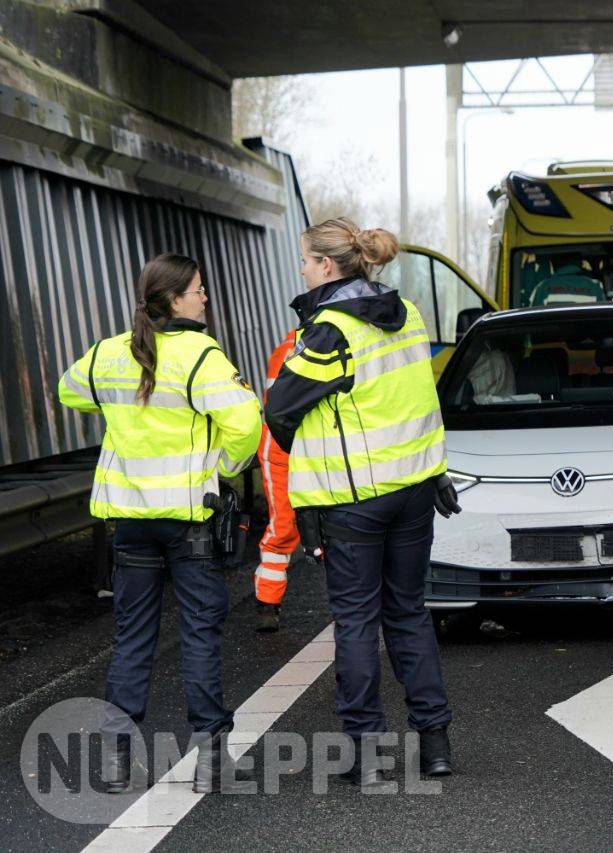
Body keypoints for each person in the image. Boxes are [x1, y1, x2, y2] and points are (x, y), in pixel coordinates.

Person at [265, 218, 462, 786]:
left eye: (305, 260)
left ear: (328, 266)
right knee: (408, 614)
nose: (301, 269)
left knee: (355, 621)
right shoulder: (410, 316)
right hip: (415, 491)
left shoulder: (329, 332)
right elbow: (419, 405)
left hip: (354, 502)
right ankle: (436, 744)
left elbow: (279, 407)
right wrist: (437, 472)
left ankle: (368, 753)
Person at [58, 253, 261, 792]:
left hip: (131, 522)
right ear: (175, 300)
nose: (205, 298)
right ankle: (212, 761)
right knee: (199, 634)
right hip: (189, 520)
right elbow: (245, 421)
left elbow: (68, 391)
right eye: (198, 290)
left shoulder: (108, 353)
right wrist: (223, 466)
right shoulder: (200, 356)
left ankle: (115, 760)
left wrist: (121, 412)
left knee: (132, 637)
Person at [253, 328, 300, 632]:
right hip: (281, 451)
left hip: (318, 448)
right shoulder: (292, 347)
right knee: (283, 524)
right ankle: (267, 603)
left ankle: (351, 603)